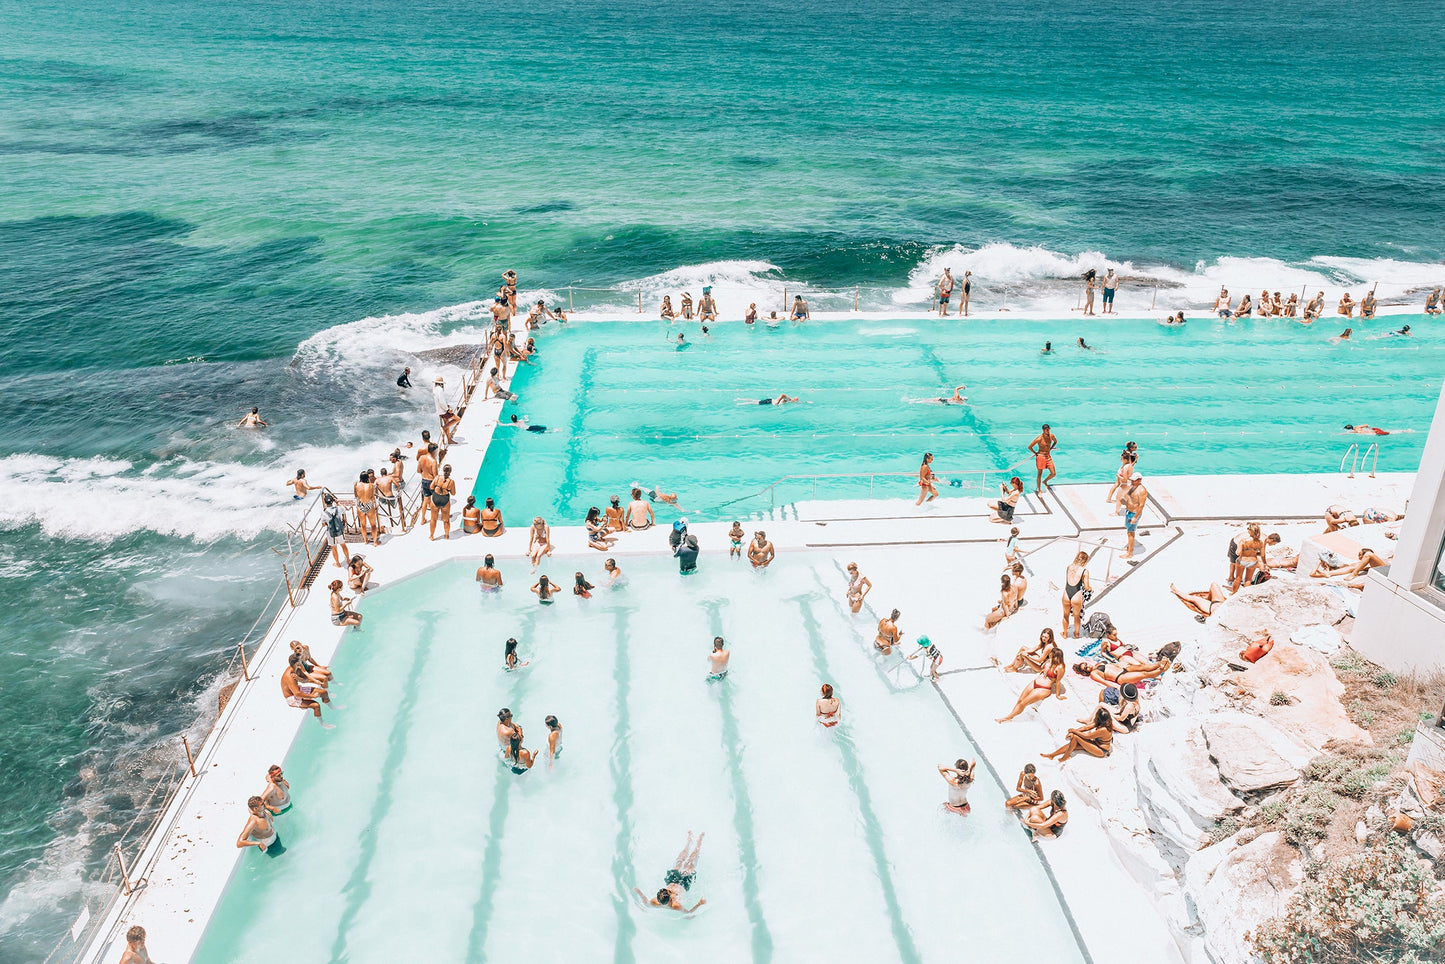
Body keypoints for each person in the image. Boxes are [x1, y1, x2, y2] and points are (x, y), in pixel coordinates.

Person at [635, 832, 706, 913]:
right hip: (684, 883)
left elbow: (646, 903)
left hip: (671, 880)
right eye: (669, 891)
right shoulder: (675, 905)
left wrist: (638, 892)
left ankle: (689, 842)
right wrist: (699, 904)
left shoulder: (655, 901)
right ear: (669, 898)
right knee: (690, 864)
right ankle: (699, 841)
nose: (669, 890)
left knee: (679, 861)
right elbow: (689, 914)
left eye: (666, 889)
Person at [996, 648, 1066, 722]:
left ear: (1057, 656)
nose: (1050, 656)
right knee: (1020, 700)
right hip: (1035, 682)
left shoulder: (1060, 667)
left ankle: (1007, 718)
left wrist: (1058, 695)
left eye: (1052, 655)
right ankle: (1011, 715)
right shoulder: (1049, 661)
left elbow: (1058, 681)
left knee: (1023, 703)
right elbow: (1040, 668)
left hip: (1043, 688)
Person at [1042, 706, 1115, 761]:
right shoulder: (1105, 723)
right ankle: (1052, 755)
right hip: (1096, 744)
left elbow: (1087, 736)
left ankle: (1065, 757)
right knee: (1073, 744)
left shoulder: (1103, 729)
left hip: (1101, 750)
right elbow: (1086, 728)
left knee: (1076, 737)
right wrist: (1072, 732)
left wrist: (1073, 731)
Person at [1061, 550, 1090, 638]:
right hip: (1076, 594)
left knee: (1065, 615)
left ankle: (1065, 634)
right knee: (1076, 616)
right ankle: (1076, 634)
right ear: (1085, 561)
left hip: (1066, 593)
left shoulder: (1069, 567)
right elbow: (1087, 587)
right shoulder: (1085, 571)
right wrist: (1090, 589)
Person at [1121, 475, 1147, 561]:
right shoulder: (1133, 486)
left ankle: (1129, 553)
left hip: (1134, 513)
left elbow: (1141, 505)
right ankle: (1129, 546)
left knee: (1130, 533)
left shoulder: (1142, 491)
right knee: (1128, 530)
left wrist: (1135, 517)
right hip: (1128, 512)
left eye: (1133, 480)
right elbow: (1128, 496)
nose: (1131, 481)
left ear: (1139, 480)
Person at [428, 465, 456, 540]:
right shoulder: (451, 482)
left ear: (443, 470)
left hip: (435, 498)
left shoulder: (437, 478)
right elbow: (453, 493)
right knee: (446, 520)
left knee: (433, 519)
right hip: (445, 500)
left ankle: (431, 536)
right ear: (450, 472)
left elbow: (431, 487)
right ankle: (446, 535)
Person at [1028, 425, 1058, 493]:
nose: (1047, 430)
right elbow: (1029, 447)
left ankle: (1045, 481)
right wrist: (1035, 453)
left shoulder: (1051, 436)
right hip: (1041, 456)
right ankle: (1039, 490)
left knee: (1053, 473)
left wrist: (1051, 448)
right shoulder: (1039, 438)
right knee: (1039, 474)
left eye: (1048, 429)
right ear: (1043, 430)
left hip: (1048, 456)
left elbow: (1055, 441)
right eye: (1046, 429)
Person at [353, 471, 378, 546]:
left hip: (360, 505)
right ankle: (375, 542)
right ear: (367, 478)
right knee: (373, 525)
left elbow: (356, 496)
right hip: (369, 505)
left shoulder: (356, 484)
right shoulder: (371, 485)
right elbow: (372, 497)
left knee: (363, 525)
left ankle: (366, 541)